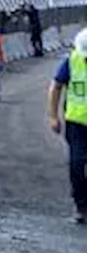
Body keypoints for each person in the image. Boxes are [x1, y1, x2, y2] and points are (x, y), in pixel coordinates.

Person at [48, 28, 87, 224]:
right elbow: (55, 87)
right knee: (77, 164)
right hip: (77, 124)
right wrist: (53, 116)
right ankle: (81, 204)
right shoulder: (72, 61)